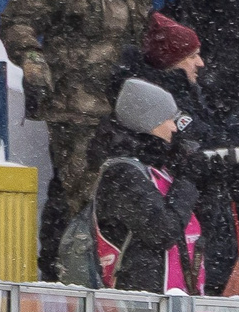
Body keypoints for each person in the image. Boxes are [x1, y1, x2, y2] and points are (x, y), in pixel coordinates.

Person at [0, 0, 154, 282]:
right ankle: (76, 284)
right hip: (76, 106)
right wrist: (31, 58)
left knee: (124, 201)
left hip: (127, 107)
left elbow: (145, 37)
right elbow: (17, 20)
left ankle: (110, 283)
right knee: (84, 199)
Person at [121, 12, 239, 287]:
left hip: (205, 211)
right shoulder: (165, 100)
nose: (201, 62)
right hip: (193, 213)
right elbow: (213, 143)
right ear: (171, 59)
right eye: (192, 56)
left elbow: (216, 138)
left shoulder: (186, 92)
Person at [89, 77, 209, 293]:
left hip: (168, 303)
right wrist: (188, 179)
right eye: (169, 119)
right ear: (149, 122)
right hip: (139, 307)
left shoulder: (155, 168)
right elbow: (163, 231)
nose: (174, 127)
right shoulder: (122, 174)